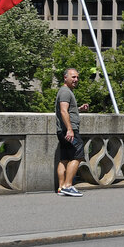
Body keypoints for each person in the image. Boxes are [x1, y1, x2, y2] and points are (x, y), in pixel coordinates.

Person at [55, 67, 89, 197]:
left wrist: (79, 109)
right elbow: (63, 111)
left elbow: (67, 110)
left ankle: (61, 187)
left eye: (77, 77)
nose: (76, 79)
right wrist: (70, 129)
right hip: (68, 130)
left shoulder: (65, 91)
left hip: (62, 130)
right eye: (73, 77)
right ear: (65, 78)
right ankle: (68, 186)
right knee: (78, 156)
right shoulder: (65, 92)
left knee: (64, 159)